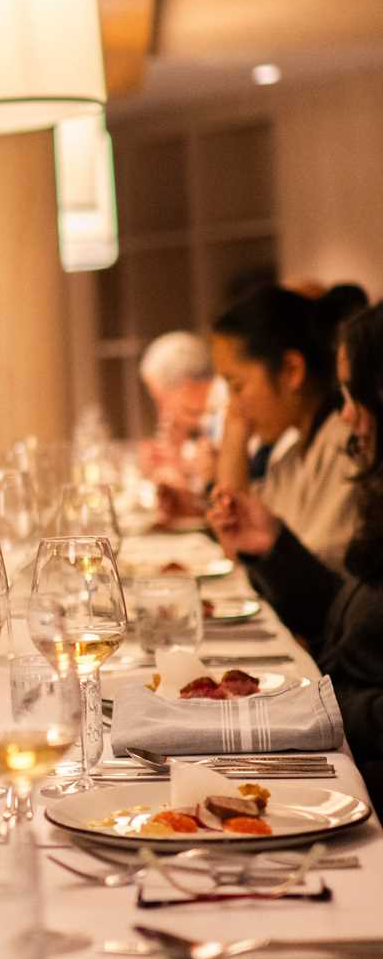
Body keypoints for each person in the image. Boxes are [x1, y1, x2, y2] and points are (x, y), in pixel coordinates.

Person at [207, 300, 383, 795]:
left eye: (356, 395)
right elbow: (347, 626)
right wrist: (274, 545)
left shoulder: (344, 456)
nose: (347, 416)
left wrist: (315, 704)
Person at [210, 283, 367, 570]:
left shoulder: (348, 444)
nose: (233, 407)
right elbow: (242, 547)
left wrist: (234, 432)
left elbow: (318, 575)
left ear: (292, 371)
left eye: (237, 386)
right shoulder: (293, 453)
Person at [137, 330, 218, 501]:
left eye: (158, 398)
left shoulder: (224, 415)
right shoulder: (200, 422)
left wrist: (180, 469)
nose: (161, 410)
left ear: (186, 386)